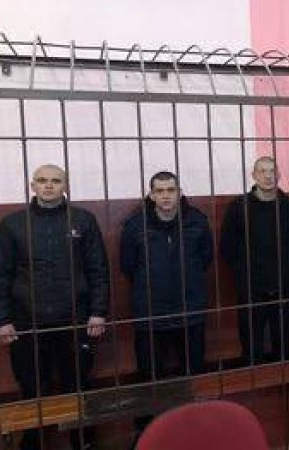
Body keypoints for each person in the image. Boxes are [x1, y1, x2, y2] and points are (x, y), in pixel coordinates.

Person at [0, 164, 109, 450]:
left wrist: (98, 312)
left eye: (55, 180)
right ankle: (33, 443)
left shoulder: (83, 220)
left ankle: (84, 443)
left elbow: (98, 269)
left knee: (78, 386)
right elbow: (0, 275)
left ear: (65, 185)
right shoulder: (12, 224)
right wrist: (2, 320)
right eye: (42, 180)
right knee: (32, 389)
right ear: (32, 186)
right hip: (26, 321)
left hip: (75, 319)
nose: (48, 185)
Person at [120, 171, 213, 441]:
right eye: (159, 191)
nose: (165, 196)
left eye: (170, 190)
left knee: (193, 375)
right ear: (151, 195)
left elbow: (206, 259)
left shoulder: (197, 221)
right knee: (150, 379)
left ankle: (195, 431)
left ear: (179, 192)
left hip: (190, 311)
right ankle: (151, 435)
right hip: (150, 313)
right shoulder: (135, 225)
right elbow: (128, 266)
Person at [220, 156, 289, 364]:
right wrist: (244, 275)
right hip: (251, 288)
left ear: (279, 175)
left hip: (284, 286)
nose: (268, 176)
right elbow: (228, 247)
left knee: (285, 345)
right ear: (254, 175)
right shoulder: (238, 207)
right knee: (251, 346)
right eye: (262, 171)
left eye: (272, 171)